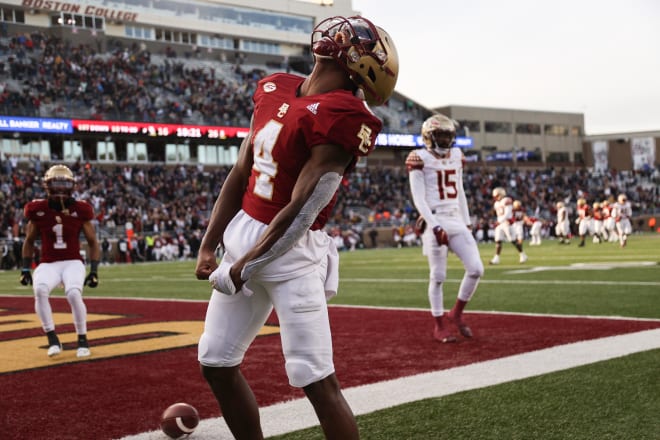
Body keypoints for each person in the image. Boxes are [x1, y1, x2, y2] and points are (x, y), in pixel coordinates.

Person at [194, 15, 398, 440]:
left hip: (293, 254)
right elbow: (241, 171)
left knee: (315, 378)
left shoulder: (346, 113)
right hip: (244, 239)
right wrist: (209, 245)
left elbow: (303, 209)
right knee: (215, 360)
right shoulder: (274, 87)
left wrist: (245, 265)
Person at [405, 114, 484, 343]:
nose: (445, 140)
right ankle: (439, 325)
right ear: (429, 137)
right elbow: (419, 199)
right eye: (440, 135)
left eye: (448, 135)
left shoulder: (457, 155)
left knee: (476, 268)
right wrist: (434, 225)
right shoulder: (418, 157)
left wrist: (467, 222)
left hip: (456, 219)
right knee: (438, 276)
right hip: (435, 218)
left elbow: (460, 192)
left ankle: (456, 313)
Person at [20, 164, 100, 358]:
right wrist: (24, 269)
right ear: (48, 185)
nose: (61, 188)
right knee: (39, 290)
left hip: (72, 261)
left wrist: (94, 270)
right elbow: (29, 240)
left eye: (64, 183)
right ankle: (53, 339)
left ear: (71, 185)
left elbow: (92, 241)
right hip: (48, 262)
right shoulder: (37, 209)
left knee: (73, 293)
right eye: (57, 183)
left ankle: (82, 340)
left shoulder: (81, 209)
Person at [489, 187, 528, 264]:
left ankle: (522, 254)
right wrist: (498, 221)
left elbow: (507, 214)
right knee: (498, 240)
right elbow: (498, 215)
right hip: (500, 223)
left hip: (507, 223)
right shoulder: (496, 203)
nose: (495, 198)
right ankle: (496, 258)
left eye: (496, 196)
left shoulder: (507, 200)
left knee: (513, 240)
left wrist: (498, 221)